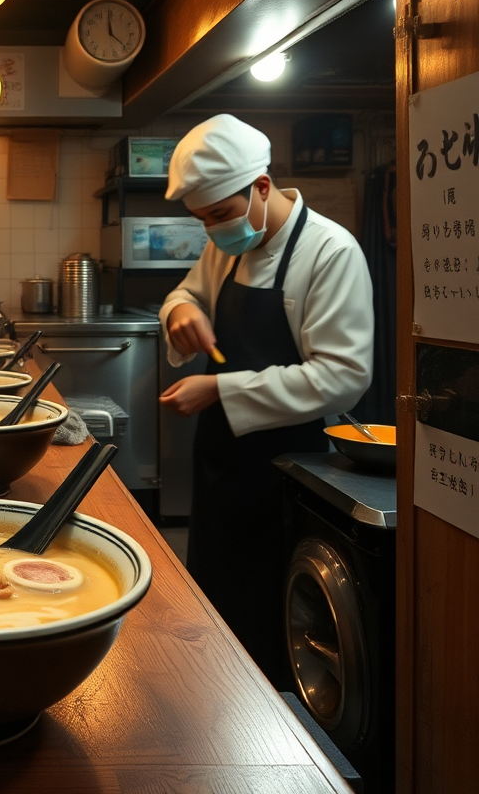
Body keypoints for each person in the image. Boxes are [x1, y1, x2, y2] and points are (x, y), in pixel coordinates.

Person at [157, 113, 374, 684]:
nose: (214, 231)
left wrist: (221, 387)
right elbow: (187, 290)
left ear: (260, 187)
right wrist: (183, 311)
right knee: (216, 599)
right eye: (202, 220)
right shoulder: (229, 245)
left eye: (221, 214)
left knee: (273, 613)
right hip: (222, 461)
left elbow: (343, 376)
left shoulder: (330, 251)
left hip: (290, 471)